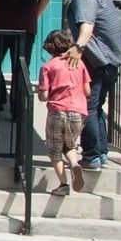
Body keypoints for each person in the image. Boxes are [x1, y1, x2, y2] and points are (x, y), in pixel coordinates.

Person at [59, 0, 121, 170]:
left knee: (85, 108)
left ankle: (92, 156)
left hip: (97, 62)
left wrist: (78, 48)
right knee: (96, 108)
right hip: (109, 61)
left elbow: (87, 24)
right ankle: (100, 153)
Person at [36, 29, 90, 195]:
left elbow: (44, 96)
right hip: (78, 111)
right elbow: (87, 91)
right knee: (69, 144)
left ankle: (64, 184)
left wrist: (40, 91)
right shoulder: (79, 64)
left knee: (54, 150)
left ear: (50, 48)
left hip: (57, 111)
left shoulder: (48, 67)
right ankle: (74, 164)